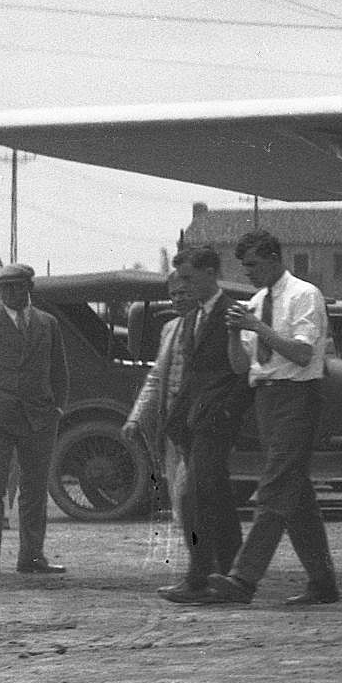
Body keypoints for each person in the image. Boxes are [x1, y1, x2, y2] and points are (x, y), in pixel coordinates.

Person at [199, 229, 338, 608]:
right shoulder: (256, 302)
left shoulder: (304, 295)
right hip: (266, 400)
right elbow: (242, 365)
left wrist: (256, 327)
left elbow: (302, 354)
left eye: (254, 265)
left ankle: (244, 578)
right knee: (295, 495)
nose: (248, 273)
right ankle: (323, 583)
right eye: (244, 266)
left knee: (275, 486)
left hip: (298, 398)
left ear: (275, 258)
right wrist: (234, 334)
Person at [128, 241, 250, 603]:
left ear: (211, 274)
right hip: (192, 423)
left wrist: (226, 410)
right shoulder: (192, 318)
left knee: (196, 496)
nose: (183, 285)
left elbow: (241, 369)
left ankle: (198, 579)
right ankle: (230, 575)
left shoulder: (232, 313)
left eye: (189, 278)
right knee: (216, 497)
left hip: (218, 420)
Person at [0, 263, 70, 578]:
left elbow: (59, 372)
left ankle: (32, 557)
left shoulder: (48, 325)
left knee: (35, 489)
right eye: (4, 288)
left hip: (39, 420)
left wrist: (57, 409)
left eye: (17, 287)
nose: (10, 293)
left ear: (29, 289)